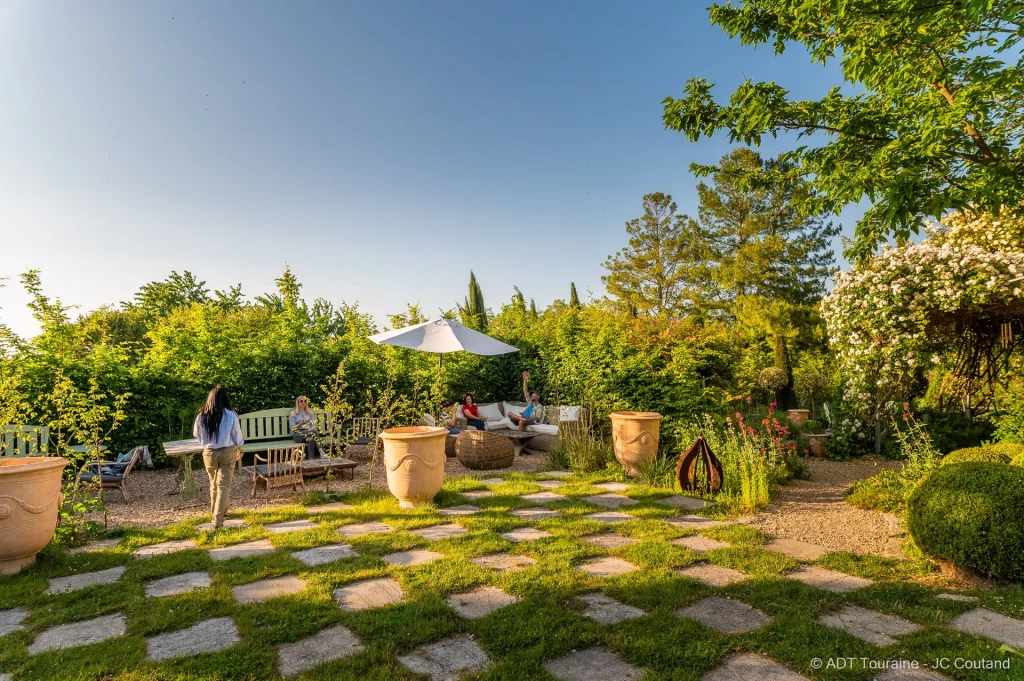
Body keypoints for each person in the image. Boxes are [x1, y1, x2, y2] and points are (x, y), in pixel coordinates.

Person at [193, 386, 244, 530]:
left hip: (209, 453)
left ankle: (215, 511)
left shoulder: (202, 415)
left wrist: (206, 443)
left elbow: (196, 434)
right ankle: (218, 519)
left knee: (213, 483)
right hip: (227, 452)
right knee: (223, 486)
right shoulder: (230, 414)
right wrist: (240, 449)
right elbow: (237, 435)